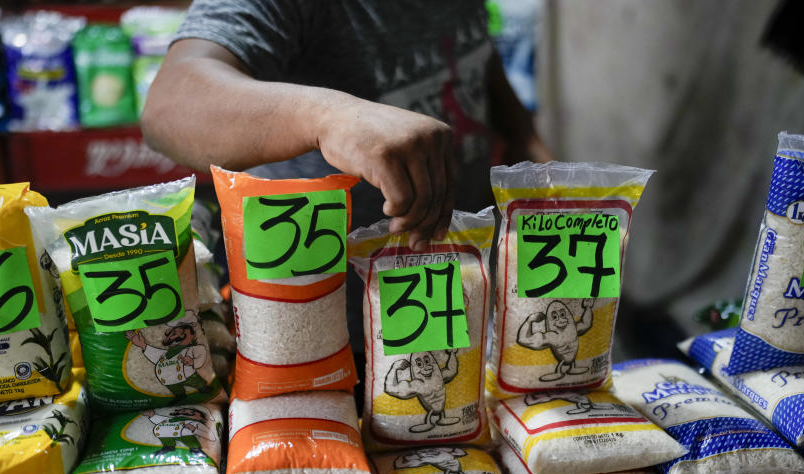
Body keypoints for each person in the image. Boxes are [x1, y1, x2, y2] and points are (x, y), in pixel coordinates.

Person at [141, 0, 552, 372]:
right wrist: (328, 117)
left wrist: (522, 137)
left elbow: (469, 50)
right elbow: (170, 103)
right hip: (330, 338)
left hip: (458, 298)